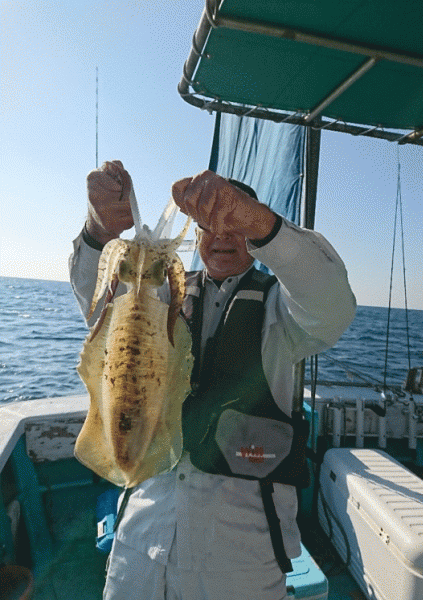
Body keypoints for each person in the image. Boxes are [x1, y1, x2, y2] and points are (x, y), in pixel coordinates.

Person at [69, 160, 356, 600]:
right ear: (197, 235)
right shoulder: (160, 297)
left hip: (240, 558)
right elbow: (96, 295)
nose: (222, 235)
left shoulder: (283, 310)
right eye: (209, 224)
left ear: (256, 237)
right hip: (141, 542)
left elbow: (331, 303)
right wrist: (99, 228)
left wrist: (260, 221)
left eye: (235, 224)